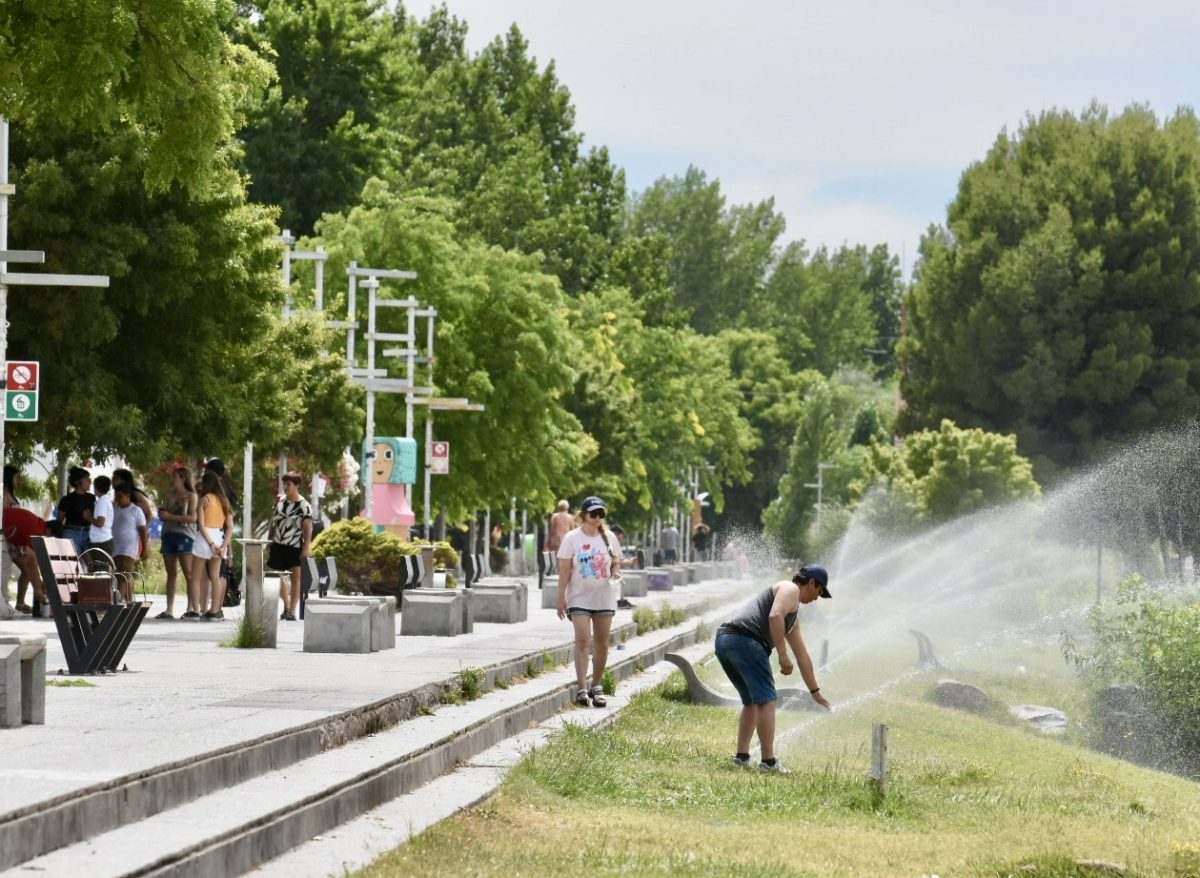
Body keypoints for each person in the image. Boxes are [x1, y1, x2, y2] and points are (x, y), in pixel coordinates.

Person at [715, 565, 833, 773]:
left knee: (751, 701)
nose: (817, 598)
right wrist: (782, 655)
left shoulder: (792, 619)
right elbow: (774, 616)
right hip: (746, 640)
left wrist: (816, 693)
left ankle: (742, 757)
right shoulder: (790, 589)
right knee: (767, 699)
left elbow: (803, 657)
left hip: (726, 640)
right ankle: (768, 762)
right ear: (812, 583)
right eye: (819, 592)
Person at [557, 495, 621, 708]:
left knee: (602, 643)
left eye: (601, 514)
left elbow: (615, 562)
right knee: (583, 639)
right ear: (583, 515)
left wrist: (616, 573)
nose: (597, 518)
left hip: (604, 597)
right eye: (593, 514)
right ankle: (582, 688)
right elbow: (565, 570)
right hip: (579, 597)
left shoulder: (609, 537)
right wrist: (560, 598)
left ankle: (597, 685)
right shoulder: (572, 538)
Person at [268, 472, 313, 622]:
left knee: (296, 578)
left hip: (295, 545)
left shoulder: (304, 506)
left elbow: (308, 528)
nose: (286, 487)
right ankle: (286, 606)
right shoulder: (280, 502)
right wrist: (270, 539)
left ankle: (292, 611)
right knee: (277, 576)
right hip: (278, 544)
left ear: (297, 486)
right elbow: (273, 522)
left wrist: (306, 547)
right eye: (284, 484)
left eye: (289, 484)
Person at [158, 466, 198, 619]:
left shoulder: (192, 496)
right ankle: (169, 609)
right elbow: (164, 514)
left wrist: (171, 516)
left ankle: (190, 607)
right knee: (171, 573)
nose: (172, 480)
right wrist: (177, 506)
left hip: (185, 535)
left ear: (183, 478)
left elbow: (192, 518)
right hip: (168, 534)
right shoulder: (169, 494)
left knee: (188, 572)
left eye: (175, 477)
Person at [193, 470, 234, 620]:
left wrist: (210, 544)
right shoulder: (225, 502)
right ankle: (215, 611)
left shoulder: (204, 500)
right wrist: (223, 545)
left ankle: (196, 610)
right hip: (219, 535)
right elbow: (230, 526)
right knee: (215, 577)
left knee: (196, 577)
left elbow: (201, 525)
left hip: (205, 539)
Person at [111, 485, 148, 601]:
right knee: (119, 574)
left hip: (128, 549)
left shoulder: (135, 510)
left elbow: (143, 531)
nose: (117, 498)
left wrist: (145, 549)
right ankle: (129, 599)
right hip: (115, 548)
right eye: (116, 496)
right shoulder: (115, 508)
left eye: (120, 496)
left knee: (124, 574)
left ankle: (119, 599)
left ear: (128, 496)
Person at [57, 466, 94, 555]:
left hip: (87, 533)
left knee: (92, 564)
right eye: (87, 479)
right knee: (73, 564)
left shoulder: (91, 498)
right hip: (71, 533)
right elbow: (59, 520)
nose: (90, 482)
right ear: (78, 482)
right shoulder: (67, 499)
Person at [87, 475, 115, 563]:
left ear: (96, 487)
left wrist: (88, 517)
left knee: (101, 571)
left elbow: (100, 523)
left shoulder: (102, 502)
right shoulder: (106, 500)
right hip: (103, 540)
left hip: (101, 541)